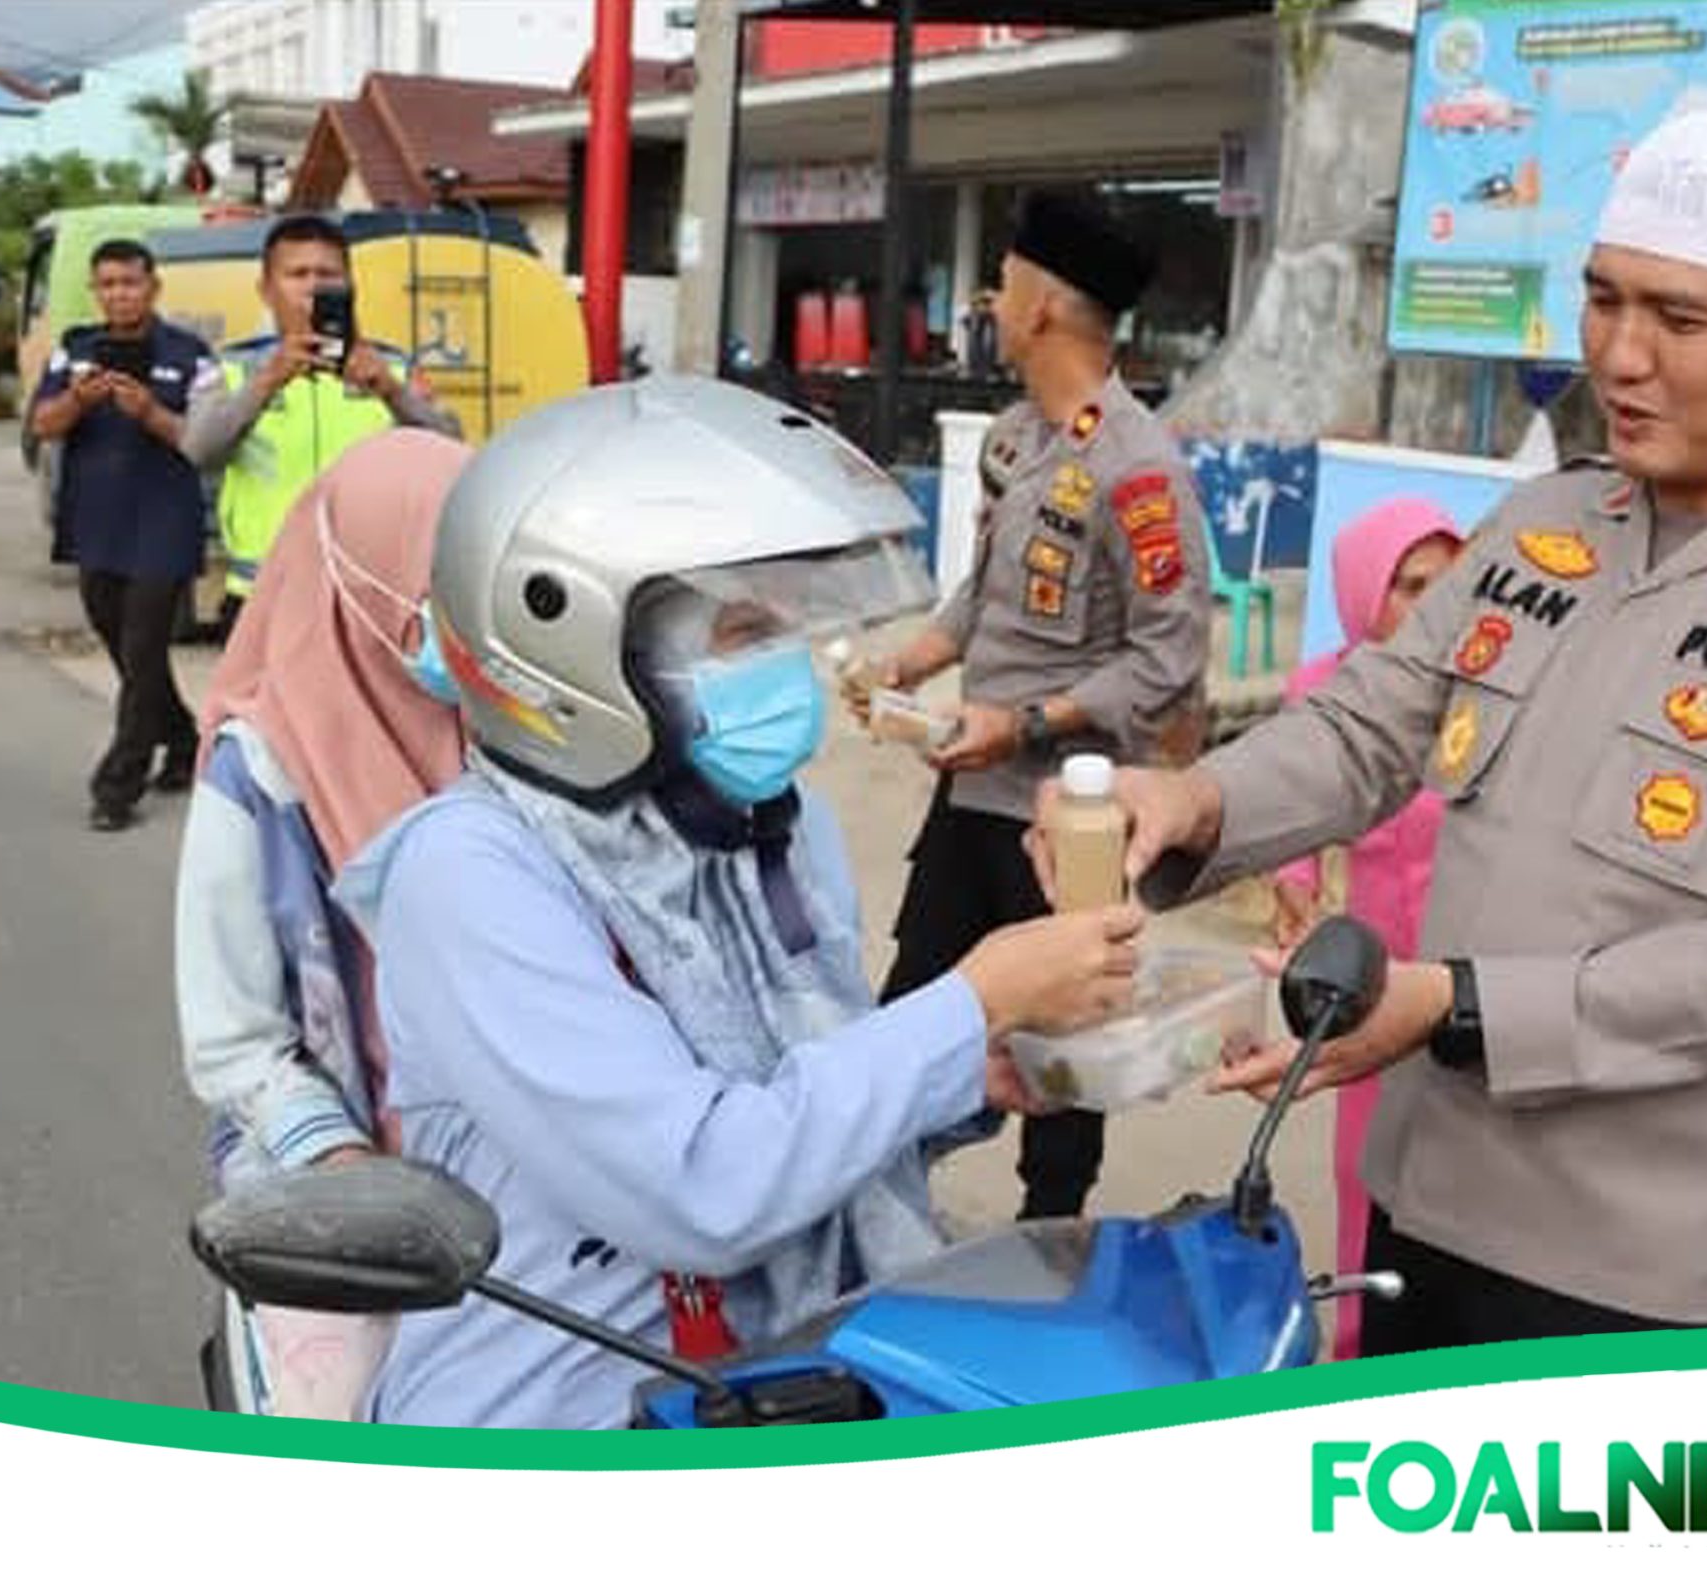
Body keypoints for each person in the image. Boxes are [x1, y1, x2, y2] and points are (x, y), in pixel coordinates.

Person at [1032, 107, 1707, 1353]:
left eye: (1680, 318)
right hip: (1420, 1205)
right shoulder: (1549, 523)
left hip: (1626, 1275)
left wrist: (1452, 1008)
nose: (1621, 356)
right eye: (1603, 300)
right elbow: (1368, 727)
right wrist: (1195, 804)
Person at [332, 378, 1143, 1429]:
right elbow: (703, 1186)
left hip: (793, 1380)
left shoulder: (765, 826)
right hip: (561, 1415)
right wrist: (965, 1007)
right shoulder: (471, 875)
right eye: (744, 631)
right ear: (575, 643)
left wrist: (961, 1076)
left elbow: (809, 1101)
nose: (789, 670)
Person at [847, 190, 1213, 1222]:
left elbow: (1168, 659)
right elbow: (991, 588)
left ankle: (1051, 1244)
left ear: (1043, 306)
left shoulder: (1138, 471)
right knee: (916, 1008)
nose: (990, 299)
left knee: (1065, 1051)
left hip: (1068, 823)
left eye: (1003, 282)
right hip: (970, 803)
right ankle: (874, 1214)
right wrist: (914, 662)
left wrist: (1026, 724)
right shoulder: (1018, 439)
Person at [173, 428, 472, 1419]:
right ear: (360, 577)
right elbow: (233, 1040)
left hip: (512, 1193)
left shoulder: (507, 722)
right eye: (431, 577)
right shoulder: (252, 777)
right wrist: (348, 1168)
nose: (457, 613)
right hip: (343, 1209)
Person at [1266, 496, 1461, 1361]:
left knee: (1464, 1172)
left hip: (1471, 966)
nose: (1432, 606)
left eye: (1447, 585)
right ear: (1360, 595)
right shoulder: (1323, 690)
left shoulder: (1486, 699)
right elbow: (1298, 810)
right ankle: (1357, 1344)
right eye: (1409, 586)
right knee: (1365, 1169)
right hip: (1372, 972)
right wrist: (1296, 888)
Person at [181, 214, 460, 642]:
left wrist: (390, 390)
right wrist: (267, 380)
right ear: (266, 290)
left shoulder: (393, 367)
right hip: (265, 589)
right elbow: (198, 450)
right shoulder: (233, 368)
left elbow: (452, 451)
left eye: (327, 274)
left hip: (373, 590)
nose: (313, 286)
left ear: (350, 285)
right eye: (297, 274)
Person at [29, 239, 217, 830]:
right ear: (96, 290)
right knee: (125, 647)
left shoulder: (190, 354)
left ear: (153, 286)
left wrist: (151, 415)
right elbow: (42, 424)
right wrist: (78, 401)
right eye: (107, 284)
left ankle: (117, 786)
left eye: (129, 283)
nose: (119, 294)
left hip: (163, 523)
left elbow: (206, 440)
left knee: (141, 651)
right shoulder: (76, 349)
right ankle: (184, 740)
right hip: (97, 522)